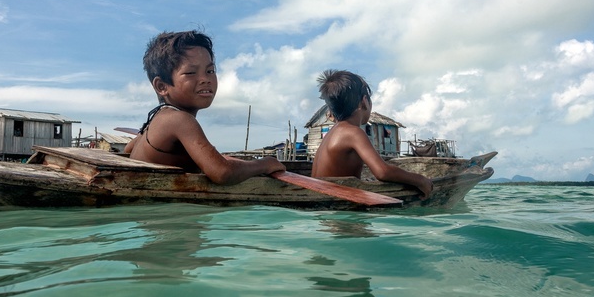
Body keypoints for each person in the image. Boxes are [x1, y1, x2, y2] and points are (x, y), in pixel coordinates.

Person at [125, 30, 286, 184]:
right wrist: (265, 164)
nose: (205, 79)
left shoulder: (158, 119)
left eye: (210, 70)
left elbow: (127, 149)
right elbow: (222, 173)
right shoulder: (180, 120)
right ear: (162, 86)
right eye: (190, 73)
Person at [311, 69, 434, 199]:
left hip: (321, 203)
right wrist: (420, 180)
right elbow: (383, 172)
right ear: (364, 101)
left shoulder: (333, 133)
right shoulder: (352, 132)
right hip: (338, 208)